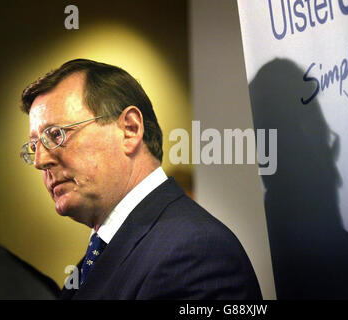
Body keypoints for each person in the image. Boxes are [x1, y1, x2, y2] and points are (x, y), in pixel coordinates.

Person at [19, 59, 262, 300]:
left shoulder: (196, 252)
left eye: (55, 134)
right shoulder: (95, 258)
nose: (40, 160)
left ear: (130, 129)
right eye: (33, 145)